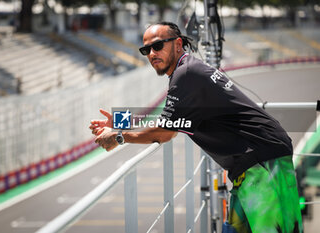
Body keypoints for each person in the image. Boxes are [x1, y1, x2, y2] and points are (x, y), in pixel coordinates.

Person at [89, 22, 303, 233]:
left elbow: (165, 132)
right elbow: (170, 119)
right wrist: (119, 123)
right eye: (146, 50)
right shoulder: (187, 70)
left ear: (178, 43)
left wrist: (118, 137)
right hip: (254, 162)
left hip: (263, 161)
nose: (152, 54)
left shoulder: (186, 74)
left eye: (157, 46)